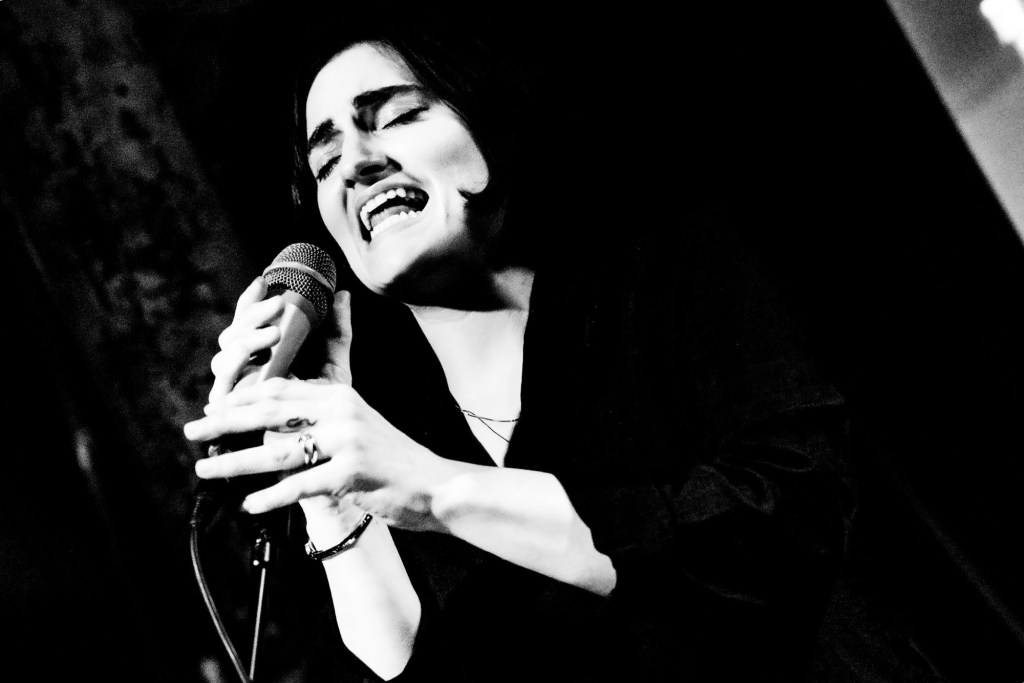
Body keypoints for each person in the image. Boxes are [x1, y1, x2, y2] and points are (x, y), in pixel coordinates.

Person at [183, 20, 855, 682]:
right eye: (326, 164)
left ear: (492, 123)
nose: (356, 165)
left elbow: (788, 523)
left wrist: (441, 490)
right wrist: (329, 492)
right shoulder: (385, 428)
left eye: (397, 117)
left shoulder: (666, 270)